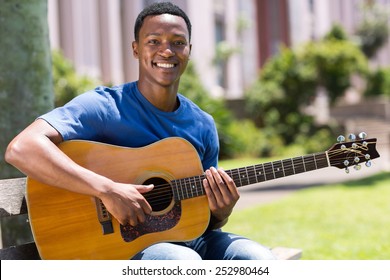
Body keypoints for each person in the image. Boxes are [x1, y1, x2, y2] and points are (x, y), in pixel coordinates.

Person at [5, 2, 275, 260]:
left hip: (191, 239)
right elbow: (22, 148)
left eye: (178, 42)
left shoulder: (202, 124)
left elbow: (204, 219)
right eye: (153, 41)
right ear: (136, 49)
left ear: (189, 50)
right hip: (125, 249)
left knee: (260, 259)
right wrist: (107, 190)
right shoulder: (104, 107)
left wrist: (221, 211)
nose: (166, 51)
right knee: (183, 263)